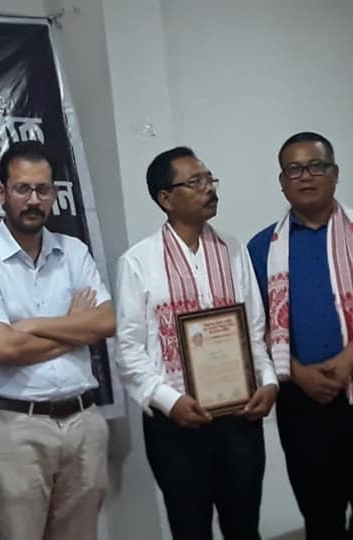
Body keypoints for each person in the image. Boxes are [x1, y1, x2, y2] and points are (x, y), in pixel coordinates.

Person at [247, 132, 353, 539]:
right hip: (301, 399)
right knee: (321, 516)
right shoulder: (262, 248)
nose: (306, 176)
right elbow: (254, 327)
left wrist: (347, 361)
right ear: (282, 182)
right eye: (294, 169)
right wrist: (298, 373)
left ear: (334, 174)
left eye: (316, 166)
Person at [0, 141, 114, 540]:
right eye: (22, 189)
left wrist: (31, 326)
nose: (33, 200)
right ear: (1, 193)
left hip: (84, 422)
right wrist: (75, 328)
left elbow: (108, 321)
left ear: (54, 194)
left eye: (43, 189)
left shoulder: (73, 251)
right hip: (15, 427)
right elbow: (4, 349)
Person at [115, 146, 278, 539]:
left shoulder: (233, 250)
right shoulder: (138, 261)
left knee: (245, 528)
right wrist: (169, 401)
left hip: (240, 416)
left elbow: (254, 328)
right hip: (176, 422)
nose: (209, 188)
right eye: (195, 182)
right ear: (166, 199)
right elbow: (128, 349)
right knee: (190, 529)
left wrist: (269, 380)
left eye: (209, 179)